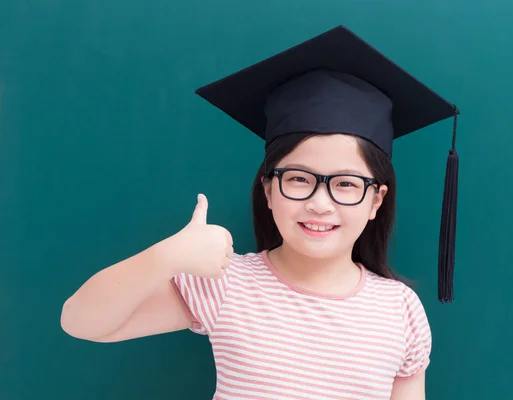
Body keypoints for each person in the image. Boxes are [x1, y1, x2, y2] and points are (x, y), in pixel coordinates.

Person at [60, 26, 460, 400]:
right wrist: (167, 256)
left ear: (376, 201)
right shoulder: (226, 285)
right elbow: (82, 323)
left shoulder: (400, 308)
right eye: (299, 179)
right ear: (268, 189)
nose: (321, 203)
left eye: (346, 185)